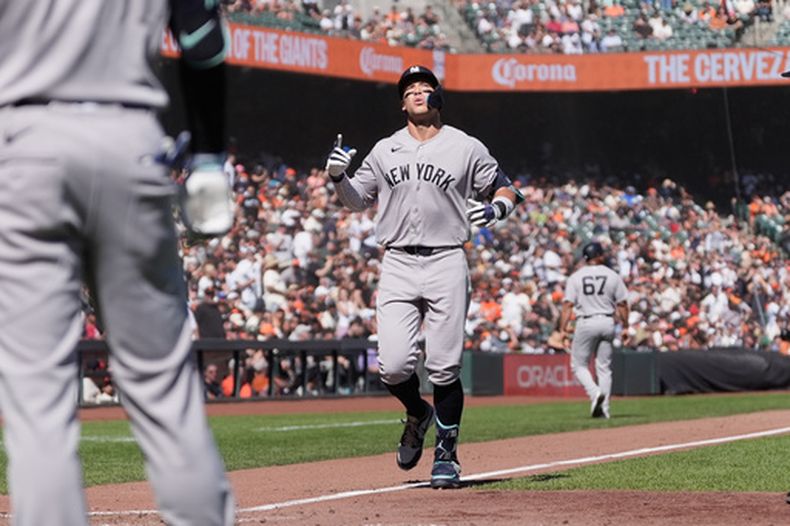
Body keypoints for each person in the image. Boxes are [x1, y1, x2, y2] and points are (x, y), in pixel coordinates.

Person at [0, 1, 236, 525]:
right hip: (129, 140)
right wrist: (207, 154)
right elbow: (203, 42)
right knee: (163, 385)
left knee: (37, 397)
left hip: (22, 141)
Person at [324, 65, 522, 489]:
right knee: (393, 366)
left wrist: (496, 210)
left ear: (437, 98)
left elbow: (507, 189)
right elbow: (356, 201)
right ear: (402, 102)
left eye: (425, 88)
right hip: (397, 261)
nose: (417, 93)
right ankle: (417, 412)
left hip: (447, 258)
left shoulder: (465, 146)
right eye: (410, 89)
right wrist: (338, 178)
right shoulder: (383, 149)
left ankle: (447, 454)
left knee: (444, 366)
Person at [558, 242, 629, 420]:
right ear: (600, 256)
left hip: (586, 321)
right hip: (607, 320)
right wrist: (626, 326)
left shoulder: (576, 277)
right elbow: (622, 304)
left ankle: (595, 392)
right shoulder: (612, 275)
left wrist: (563, 329)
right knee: (604, 368)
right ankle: (604, 409)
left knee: (578, 365)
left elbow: (568, 305)